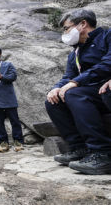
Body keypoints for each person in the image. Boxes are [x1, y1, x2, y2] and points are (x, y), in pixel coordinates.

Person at [45, 9, 111, 175]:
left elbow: (106, 65)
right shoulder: (76, 51)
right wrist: (56, 88)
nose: (65, 33)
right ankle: (79, 148)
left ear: (83, 24)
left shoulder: (107, 36)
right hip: (91, 93)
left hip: (106, 88)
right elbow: (68, 76)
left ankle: (103, 153)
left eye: (67, 28)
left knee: (74, 93)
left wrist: (76, 82)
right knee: (53, 101)